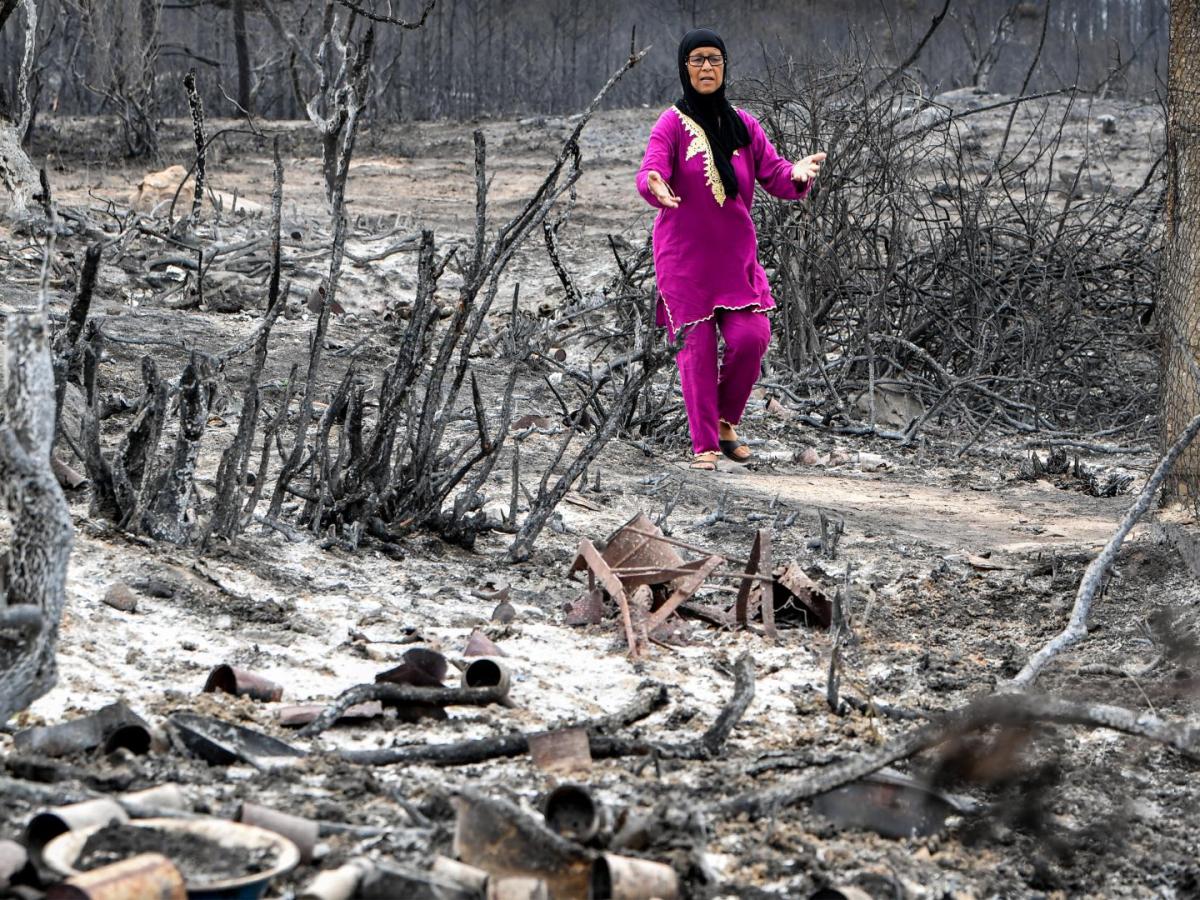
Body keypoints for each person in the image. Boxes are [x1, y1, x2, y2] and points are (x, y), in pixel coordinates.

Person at [636, 28, 825, 470]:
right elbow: (652, 165)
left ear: (725, 66)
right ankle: (703, 446)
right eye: (698, 59)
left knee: (752, 339)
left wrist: (797, 172)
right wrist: (654, 184)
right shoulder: (671, 123)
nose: (707, 67)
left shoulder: (743, 125)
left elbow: (776, 175)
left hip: (734, 260)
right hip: (684, 262)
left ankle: (723, 421)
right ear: (685, 67)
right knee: (697, 352)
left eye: (714, 59)